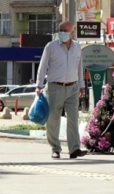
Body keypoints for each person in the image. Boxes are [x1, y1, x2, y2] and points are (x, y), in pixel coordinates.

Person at [35, 21, 88, 160]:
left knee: (73, 118)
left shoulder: (77, 47)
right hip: (55, 87)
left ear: (72, 32)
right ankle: (55, 148)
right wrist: (39, 85)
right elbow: (43, 66)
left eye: (65, 30)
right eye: (60, 30)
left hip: (73, 88)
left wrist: (81, 85)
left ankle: (74, 149)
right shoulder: (51, 46)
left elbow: (80, 66)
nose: (62, 33)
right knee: (53, 119)